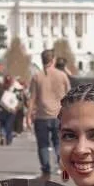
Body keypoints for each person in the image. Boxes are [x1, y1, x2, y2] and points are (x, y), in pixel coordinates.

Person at [29, 49, 70, 178]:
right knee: (59, 142)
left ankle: (46, 169)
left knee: (43, 144)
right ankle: (60, 162)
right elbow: (69, 96)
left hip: (41, 116)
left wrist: (28, 115)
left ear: (42, 61)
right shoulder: (62, 76)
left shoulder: (37, 76)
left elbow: (32, 98)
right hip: (59, 115)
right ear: (53, 60)